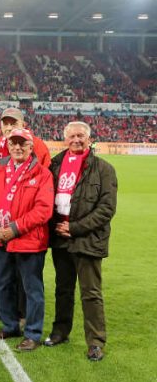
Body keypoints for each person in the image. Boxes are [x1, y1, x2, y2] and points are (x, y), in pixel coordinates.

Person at [45, 121, 117, 362]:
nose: (76, 140)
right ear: (65, 139)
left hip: (86, 239)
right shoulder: (54, 164)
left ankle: (96, 342)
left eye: (80, 136)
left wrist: (74, 228)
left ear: (89, 139)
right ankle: (60, 332)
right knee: (63, 289)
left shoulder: (103, 169)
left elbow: (106, 209)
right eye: (71, 136)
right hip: (59, 238)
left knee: (91, 292)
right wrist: (57, 227)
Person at [0, 128, 54, 352]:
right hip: (0, 240)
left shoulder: (43, 174)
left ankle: (32, 333)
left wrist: (14, 228)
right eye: (13, 143)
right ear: (8, 146)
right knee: (4, 286)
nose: (18, 147)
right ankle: (11, 325)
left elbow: (43, 209)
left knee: (32, 289)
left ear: (31, 147)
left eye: (22, 143)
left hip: (29, 241)